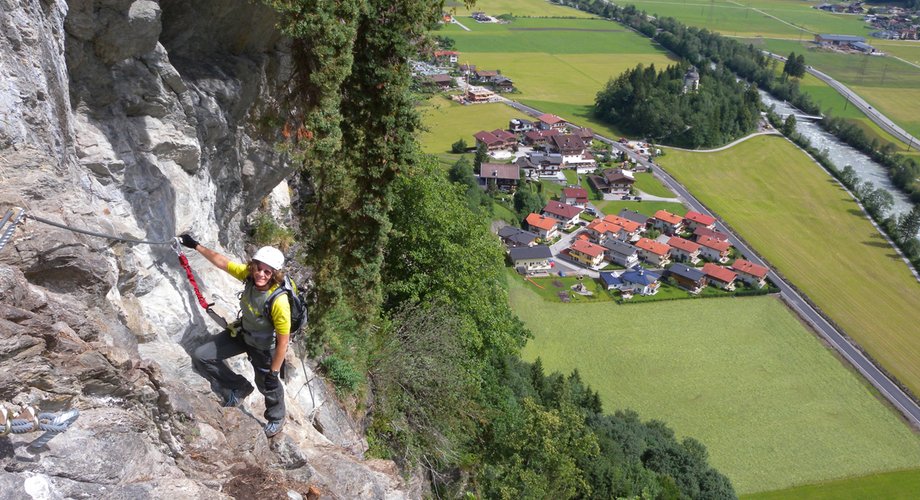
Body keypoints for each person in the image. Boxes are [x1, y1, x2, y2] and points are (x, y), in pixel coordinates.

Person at [180, 234, 290, 437]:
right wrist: (195, 245)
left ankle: (276, 417)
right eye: (258, 268)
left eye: (267, 272)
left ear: (274, 274)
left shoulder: (279, 302)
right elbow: (222, 262)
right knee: (202, 355)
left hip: (264, 347)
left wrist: (274, 373)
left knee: (267, 385)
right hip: (242, 334)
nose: (261, 274)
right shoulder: (249, 276)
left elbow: (283, 343)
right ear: (253, 266)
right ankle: (239, 387)